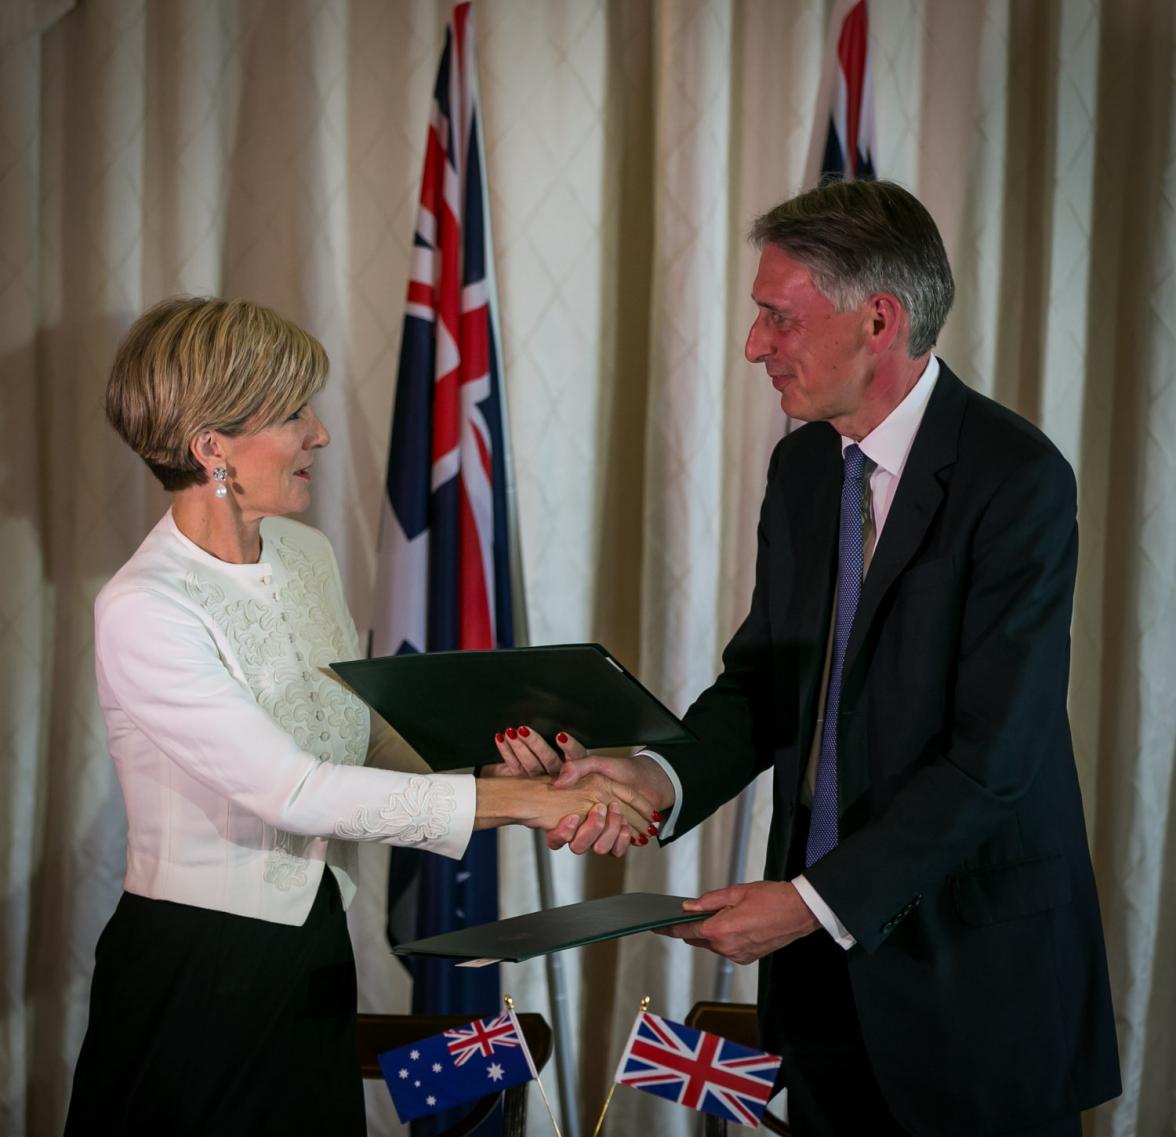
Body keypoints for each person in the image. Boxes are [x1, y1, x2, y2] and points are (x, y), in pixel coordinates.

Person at [497, 180, 1121, 1136]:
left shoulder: (1016, 477)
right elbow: (766, 685)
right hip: (824, 994)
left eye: (776, 318)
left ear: (879, 318)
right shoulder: (801, 469)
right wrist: (653, 777)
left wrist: (810, 902)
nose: (755, 346)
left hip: (976, 987)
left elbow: (997, 755)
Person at [64, 296, 653, 1137]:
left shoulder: (306, 551)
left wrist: (483, 779)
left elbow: (357, 729)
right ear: (211, 447)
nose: (320, 434)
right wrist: (524, 806)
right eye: (294, 412)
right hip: (195, 971)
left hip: (312, 948)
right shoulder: (143, 608)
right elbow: (294, 791)